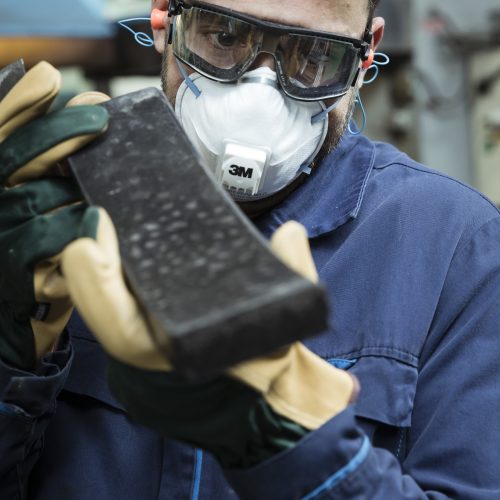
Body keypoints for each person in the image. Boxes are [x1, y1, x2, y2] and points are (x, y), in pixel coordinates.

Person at [1, 0, 500, 498]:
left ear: (365, 58)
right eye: (221, 37)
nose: (256, 97)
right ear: (163, 20)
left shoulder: (456, 247)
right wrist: (11, 359)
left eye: (314, 56)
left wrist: (294, 448)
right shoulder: (56, 202)